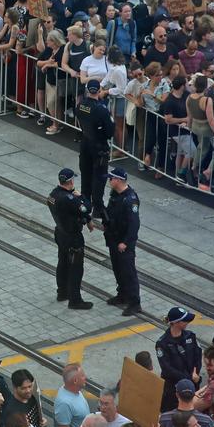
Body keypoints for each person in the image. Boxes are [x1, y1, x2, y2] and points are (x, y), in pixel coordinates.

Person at [47, 168, 93, 309]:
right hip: (73, 237)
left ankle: (62, 292)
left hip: (60, 233)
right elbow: (87, 207)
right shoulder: (70, 199)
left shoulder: (53, 195)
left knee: (63, 263)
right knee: (76, 268)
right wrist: (80, 197)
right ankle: (75, 300)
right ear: (70, 181)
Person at [101, 168, 142, 316]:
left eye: (110, 178)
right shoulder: (115, 194)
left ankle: (134, 302)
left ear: (117, 180)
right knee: (118, 269)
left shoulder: (130, 199)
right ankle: (122, 294)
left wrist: (126, 242)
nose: (109, 181)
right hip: (113, 239)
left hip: (124, 243)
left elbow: (134, 224)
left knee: (128, 272)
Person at [76, 79, 114, 220]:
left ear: (87, 90)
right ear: (98, 90)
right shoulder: (101, 109)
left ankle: (85, 205)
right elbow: (110, 131)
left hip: (85, 142)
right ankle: (98, 207)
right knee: (99, 177)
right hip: (99, 146)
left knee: (86, 175)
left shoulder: (80, 105)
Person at [158, 308, 203, 412]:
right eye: (184, 320)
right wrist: (188, 378)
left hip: (192, 384)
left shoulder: (191, 336)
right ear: (175, 323)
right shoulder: (162, 343)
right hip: (173, 389)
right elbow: (167, 368)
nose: (187, 322)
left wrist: (196, 372)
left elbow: (198, 355)